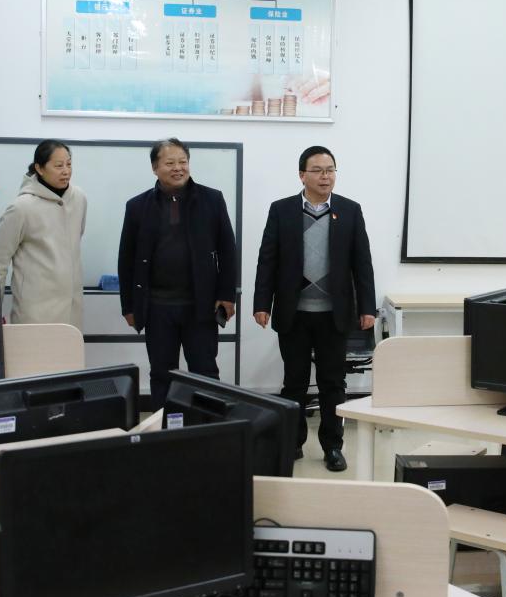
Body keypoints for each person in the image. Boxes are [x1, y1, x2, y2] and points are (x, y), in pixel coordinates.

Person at [253, 146, 376, 472]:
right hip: (293, 313)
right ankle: (292, 443)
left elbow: (362, 263)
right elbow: (268, 259)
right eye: (318, 170)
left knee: (332, 384)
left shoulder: (349, 210)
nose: (325, 176)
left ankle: (332, 446)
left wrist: (367, 307)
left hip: (333, 315)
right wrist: (262, 303)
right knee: (294, 382)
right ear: (302, 175)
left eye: (330, 170)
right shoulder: (282, 210)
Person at [118, 138, 237, 409]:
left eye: (183, 162)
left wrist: (227, 295)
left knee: (205, 372)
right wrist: (129, 306)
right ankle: (165, 427)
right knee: (162, 373)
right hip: (157, 306)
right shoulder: (137, 206)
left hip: (201, 304)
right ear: (155, 168)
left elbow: (228, 251)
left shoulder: (212, 199)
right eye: (170, 163)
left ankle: (206, 426)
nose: (178, 168)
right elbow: (126, 260)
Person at [0, 140, 87, 327]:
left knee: (69, 346)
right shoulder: (22, 207)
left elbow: (74, 242)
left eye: (69, 164)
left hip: (72, 310)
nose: (66, 171)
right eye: (58, 166)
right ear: (39, 168)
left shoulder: (79, 198)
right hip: (35, 312)